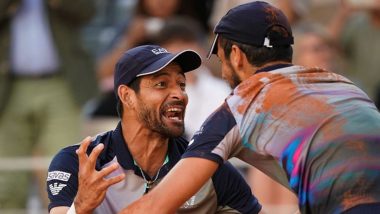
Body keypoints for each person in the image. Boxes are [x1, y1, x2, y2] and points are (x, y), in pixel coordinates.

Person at [122, 2, 380, 214]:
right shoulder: (343, 85)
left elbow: (157, 205)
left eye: (222, 61)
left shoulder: (243, 104)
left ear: (236, 55)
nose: (223, 74)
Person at [46, 45, 262, 214]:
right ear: (127, 96)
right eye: (161, 84)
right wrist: (81, 208)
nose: (179, 94)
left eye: (181, 84)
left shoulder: (206, 167)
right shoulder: (78, 161)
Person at [0, 0, 96, 210]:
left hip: (61, 85)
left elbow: (88, 11)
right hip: (7, 89)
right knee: (7, 179)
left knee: (65, 172)